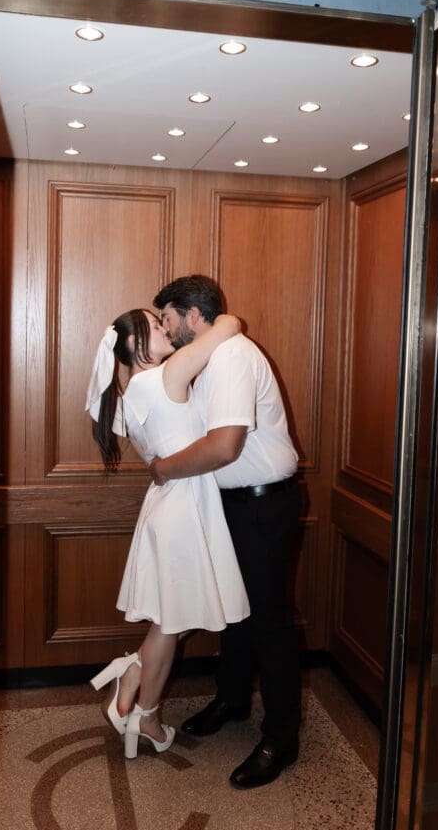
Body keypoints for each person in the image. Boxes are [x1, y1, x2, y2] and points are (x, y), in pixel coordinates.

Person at [151, 274, 301, 790]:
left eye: (169, 320)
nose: (166, 333)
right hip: (229, 504)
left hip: (263, 504)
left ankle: (283, 736)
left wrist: (165, 468)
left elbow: (224, 447)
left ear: (195, 316)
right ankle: (233, 700)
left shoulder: (233, 356)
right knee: (231, 613)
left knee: (268, 621)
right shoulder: (209, 356)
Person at [86, 307, 250, 760]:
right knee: (172, 621)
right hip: (184, 508)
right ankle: (148, 714)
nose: (167, 329)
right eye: (157, 327)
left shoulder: (130, 393)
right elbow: (229, 325)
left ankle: (133, 675)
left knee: (173, 617)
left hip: (170, 505)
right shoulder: (165, 375)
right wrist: (216, 321)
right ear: (137, 345)